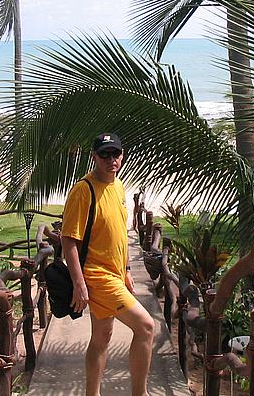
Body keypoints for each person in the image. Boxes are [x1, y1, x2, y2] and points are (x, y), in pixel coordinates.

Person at [61, 132, 155, 396]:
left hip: (115, 274)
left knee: (101, 337)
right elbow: (69, 240)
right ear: (94, 157)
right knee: (146, 327)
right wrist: (79, 284)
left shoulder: (118, 186)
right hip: (97, 276)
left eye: (115, 153)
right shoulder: (83, 191)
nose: (111, 159)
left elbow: (119, 233)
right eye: (104, 154)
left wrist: (126, 269)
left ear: (122, 156)